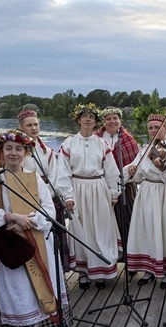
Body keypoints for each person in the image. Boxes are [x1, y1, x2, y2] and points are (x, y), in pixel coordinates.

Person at [0, 130, 73, 327]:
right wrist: (10, 218)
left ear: (26, 153)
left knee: (41, 285)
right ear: (1, 152)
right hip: (12, 245)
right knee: (20, 290)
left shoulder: (35, 177)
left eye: (18, 149)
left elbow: (48, 210)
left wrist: (28, 222)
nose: (13, 153)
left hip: (37, 239)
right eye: (8, 148)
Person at [56, 103, 120, 289]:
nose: (88, 119)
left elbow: (111, 171)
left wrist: (114, 193)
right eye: (84, 116)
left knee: (100, 229)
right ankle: (83, 272)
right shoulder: (68, 143)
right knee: (81, 230)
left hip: (98, 188)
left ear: (95, 122)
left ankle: (100, 272)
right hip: (77, 188)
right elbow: (63, 172)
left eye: (91, 117)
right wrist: (67, 195)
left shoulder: (102, 143)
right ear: (78, 119)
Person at [123, 113, 166, 288]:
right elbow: (138, 174)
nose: (154, 130)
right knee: (147, 229)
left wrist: (161, 169)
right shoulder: (145, 149)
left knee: (165, 230)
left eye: (158, 127)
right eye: (151, 128)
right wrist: (132, 171)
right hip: (147, 193)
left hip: (165, 195)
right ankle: (149, 269)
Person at [18, 108, 70, 271]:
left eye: (36, 125)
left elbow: (54, 174)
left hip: (46, 195)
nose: (33, 128)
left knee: (52, 239)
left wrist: (46, 193)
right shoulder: (17, 150)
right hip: (24, 197)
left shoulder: (47, 151)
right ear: (21, 127)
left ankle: (55, 270)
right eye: (29, 125)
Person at [95, 106, 139, 254]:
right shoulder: (97, 139)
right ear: (103, 121)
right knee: (107, 221)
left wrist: (128, 173)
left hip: (126, 187)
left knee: (128, 219)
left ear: (120, 120)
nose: (112, 121)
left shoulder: (128, 139)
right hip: (104, 187)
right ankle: (112, 252)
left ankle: (130, 255)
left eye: (115, 118)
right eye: (108, 119)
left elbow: (135, 161)